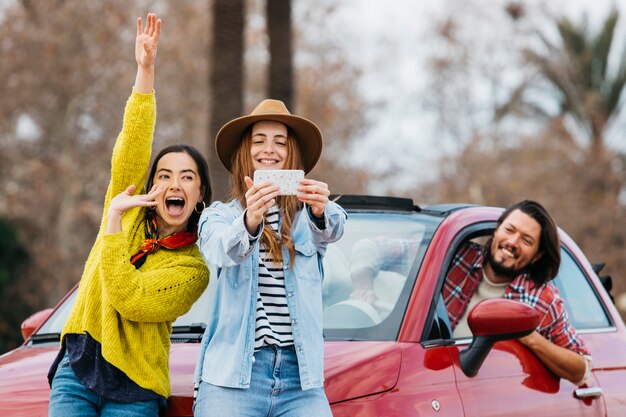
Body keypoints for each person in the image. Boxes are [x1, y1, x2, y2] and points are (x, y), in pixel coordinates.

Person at [47, 14, 210, 417]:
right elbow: (133, 145)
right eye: (164, 175)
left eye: (187, 177)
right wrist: (145, 72)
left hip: (136, 388)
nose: (174, 184)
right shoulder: (127, 209)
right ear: (151, 185)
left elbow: (130, 298)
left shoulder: (192, 267)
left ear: (200, 193)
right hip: (77, 369)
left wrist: (113, 225)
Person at [193, 99, 347, 417]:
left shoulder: (309, 216)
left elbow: (335, 227)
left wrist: (321, 208)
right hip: (234, 377)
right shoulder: (218, 216)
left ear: (292, 155)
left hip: (300, 380)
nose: (269, 149)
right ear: (243, 154)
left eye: (280, 142)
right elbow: (222, 249)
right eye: (259, 141)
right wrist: (251, 218)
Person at [442, 200, 591, 385]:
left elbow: (582, 370)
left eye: (526, 240)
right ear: (497, 230)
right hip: (435, 377)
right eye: (509, 230)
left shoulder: (542, 298)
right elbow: (404, 252)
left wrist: (529, 337)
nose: (512, 242)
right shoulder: (453, 258)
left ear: (537, 255)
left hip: (490, 394)